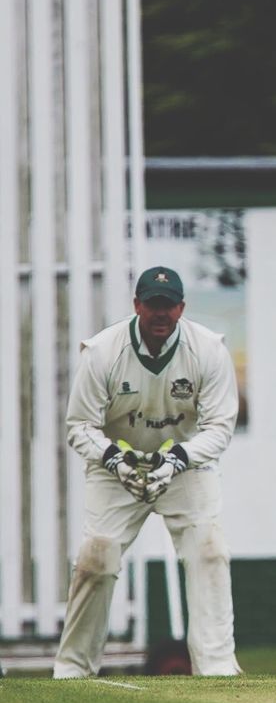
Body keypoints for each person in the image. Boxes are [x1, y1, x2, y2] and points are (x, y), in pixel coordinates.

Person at [55, 266, 241, 678]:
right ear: (137, 305)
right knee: (97, 557)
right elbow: (80, 425)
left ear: (181, 308)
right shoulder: (103, 352)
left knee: (208, 550)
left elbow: (219, 428)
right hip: (116, 466)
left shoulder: (208, 350)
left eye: (169, 306)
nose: (161, 314)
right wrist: (114, 459)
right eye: (153, 305)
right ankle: (72, 671)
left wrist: (178, 458)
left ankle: (216, 667)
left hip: (184, 465)